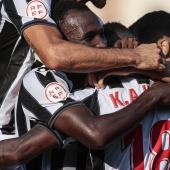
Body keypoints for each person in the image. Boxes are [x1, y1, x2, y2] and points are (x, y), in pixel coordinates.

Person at [1, 3, 170, 170]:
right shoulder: (44, 79)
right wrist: (152, 95)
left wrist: (129, 65)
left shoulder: (125, 78)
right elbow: (94, 134)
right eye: (89, 38)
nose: (102, 45)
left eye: (102, 34)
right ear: (66, 44)